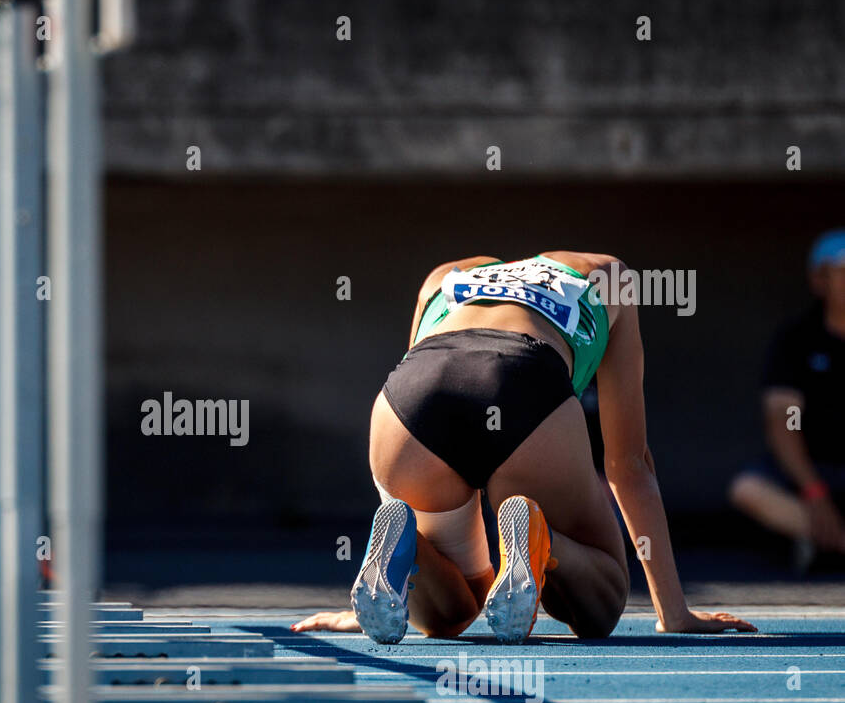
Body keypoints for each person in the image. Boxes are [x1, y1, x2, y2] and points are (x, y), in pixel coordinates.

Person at [292, 251, 755, 644]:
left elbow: (418, 368)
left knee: (449, 616)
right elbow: (628, 464)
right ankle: (540, 536)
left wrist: (356, 612)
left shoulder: (443, 276)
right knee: (600, 606)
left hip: (412, 399)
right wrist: (675, 613)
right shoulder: (610, 273)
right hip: (523, 382)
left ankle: (404, 549)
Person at [729, 230, 845, 571]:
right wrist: (813, 489)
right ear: (820, 279)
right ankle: (835, 542)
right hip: (812, 470)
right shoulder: (798, 338)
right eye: (842, 271)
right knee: (748, 489)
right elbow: (781, 422)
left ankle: (823, 547)